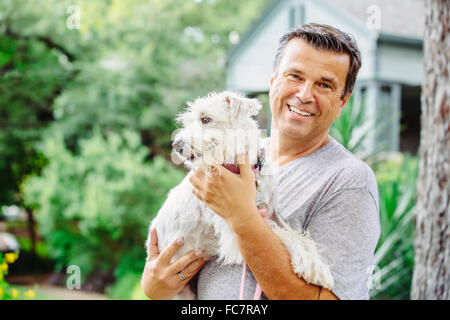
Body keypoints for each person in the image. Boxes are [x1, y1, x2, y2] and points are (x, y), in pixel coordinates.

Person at [141, 23, 380, 300]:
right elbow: (160, 265)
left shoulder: (349, 181)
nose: (304, 95)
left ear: (342, 102)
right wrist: (153, 286)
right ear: (273, 82)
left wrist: (241, 215)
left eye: (324, 85)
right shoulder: (227, 157)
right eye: (295, 76)